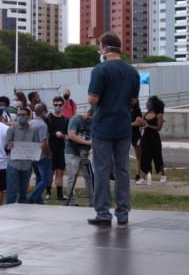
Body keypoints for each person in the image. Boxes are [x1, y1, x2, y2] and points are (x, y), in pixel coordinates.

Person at [88, 32, 140, 227]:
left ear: (106, 49)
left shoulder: (100, 70)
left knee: (101, 170)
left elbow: (93, 99)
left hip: (103, 126)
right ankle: (123, 212)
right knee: (122, 170)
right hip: (123, 126)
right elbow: (133, 101)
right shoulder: (132, 72)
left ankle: (103, 212)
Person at [5, 104, 48, 204]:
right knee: (12, 192)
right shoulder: (12, 130)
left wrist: (39, 150)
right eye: (19, 115)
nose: (20, 117)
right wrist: (9, 146)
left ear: (28, 116)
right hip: (13, 164)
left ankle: (23, 213)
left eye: (23, 115)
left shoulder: (33, 131)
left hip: (27, 165)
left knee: (23, 192)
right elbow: (6, 146)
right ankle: (9, 213)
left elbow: (36, 145)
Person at [61, 103, 94, 207]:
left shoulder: (94, 122)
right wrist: (87, 143)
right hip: (72, 151)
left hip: (86, 153)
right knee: (72, 176)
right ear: (89, 114)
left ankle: (92, 201)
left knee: (89, 177)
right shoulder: (75, 120)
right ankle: (72, 201)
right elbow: (71, 135)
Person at [41, 97, 70, 202]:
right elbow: (45, 133)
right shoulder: (48, 118)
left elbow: (67, 133)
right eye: (55, 104)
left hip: (61, 149)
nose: (57, 106)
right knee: (50, 172)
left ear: (63, 105)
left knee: (60, 172)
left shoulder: (65, 119)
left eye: (59, 105)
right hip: (50, 148)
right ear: (53, 105)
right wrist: (54, 134)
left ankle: (59, 194)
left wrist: (65, 136)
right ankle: (48, 193)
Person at [139, 96, 167, 185]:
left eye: (150, 103)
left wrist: (149, 126)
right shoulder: (145, 114)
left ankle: (163, 175)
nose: (148, 104)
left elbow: (158, 128)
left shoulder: (159, 115)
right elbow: (142, 124)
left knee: (157, 156)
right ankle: (143, 177)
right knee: (144, 157)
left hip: (154, 138)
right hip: (145, 138)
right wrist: (141, 124)